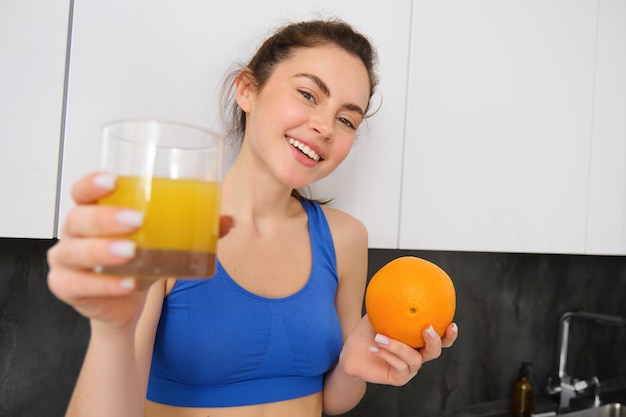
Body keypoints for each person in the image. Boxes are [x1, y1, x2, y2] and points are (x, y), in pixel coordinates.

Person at [47, 18, 458, 417]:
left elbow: (331, 399)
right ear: (247, 90)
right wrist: (110, 333)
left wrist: (354, 364)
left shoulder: (344, 238)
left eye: (346, 119)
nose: (325, 127)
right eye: (309, 95)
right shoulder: (168, 225)